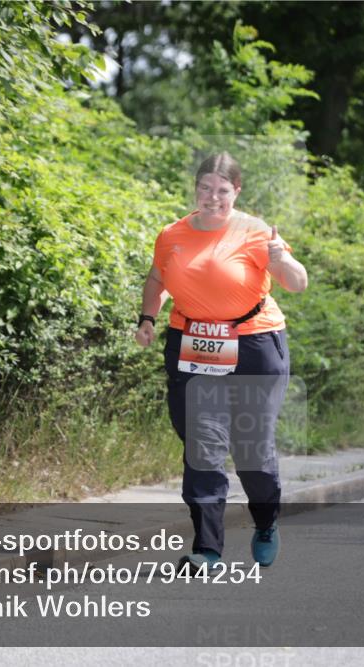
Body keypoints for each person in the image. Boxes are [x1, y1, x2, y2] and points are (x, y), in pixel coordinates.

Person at [134, 152, 308, 573]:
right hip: (192, 343)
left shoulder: (256, 233)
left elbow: (297, 282)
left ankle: (265, 522)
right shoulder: (172, 234)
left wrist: (280, 258)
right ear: (195, 188)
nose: (213, 197)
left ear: (237, 191)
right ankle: (208, 549)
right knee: (201, 446)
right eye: (205, 188)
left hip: (253, 345)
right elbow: (158, 279)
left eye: (223, 190)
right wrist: (147, 317)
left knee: (251, 450)